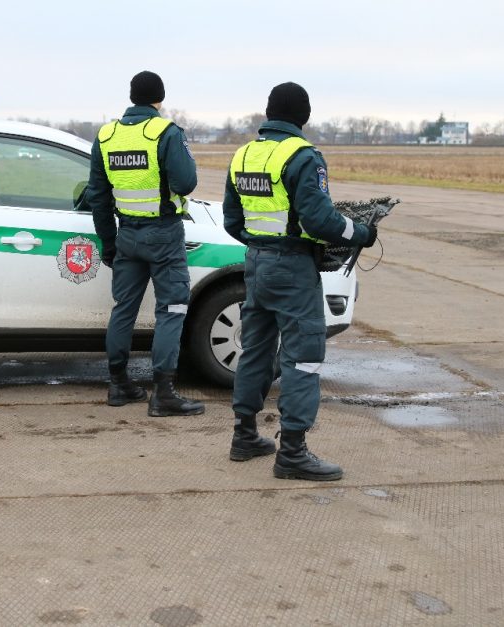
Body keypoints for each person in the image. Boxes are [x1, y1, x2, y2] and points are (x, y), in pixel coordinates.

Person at [223, 82, 376, 480]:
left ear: (269, 112)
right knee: (303, 357)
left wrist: (263, 246)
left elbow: (232, 220)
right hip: (292, 269)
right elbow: (320, 220)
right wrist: (361, 233)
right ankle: (292, 452)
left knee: (255, 350)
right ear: (303, 117)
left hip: (256, 262)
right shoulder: (303, 156)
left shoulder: (244, 155)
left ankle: (244, 436)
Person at [87, 70, 205, 417]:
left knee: (123, 309)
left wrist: (109, 242)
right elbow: (186, 183)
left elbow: (97, 195)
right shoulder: (165, 132)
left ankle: (118, 384)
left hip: (127, 235)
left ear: (131, 97)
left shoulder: (107, 135)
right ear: (159, 99)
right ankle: (164, 393)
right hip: (164, 234)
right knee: (172, 309)